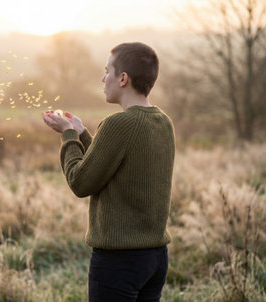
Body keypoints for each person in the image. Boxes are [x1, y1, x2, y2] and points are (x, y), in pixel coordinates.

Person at [41, 42, 175, 302]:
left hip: (119, 262)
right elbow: (113, 165)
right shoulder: (163, 121)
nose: (103, 78)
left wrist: (67, 136)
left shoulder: (118, 124)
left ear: (123, 78)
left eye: (107, 71)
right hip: (155, 258)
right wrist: (81, 133)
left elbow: (81, 182)